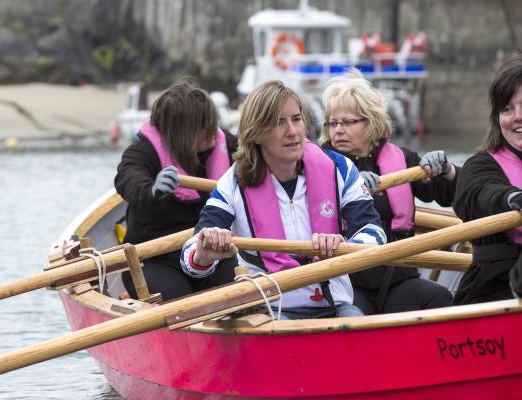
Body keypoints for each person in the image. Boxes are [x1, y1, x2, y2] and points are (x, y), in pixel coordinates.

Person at [180, 80, 387, 319]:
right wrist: (203, 253)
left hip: (334, 305)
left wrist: (343, 245)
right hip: (270, 309)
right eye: (279, 122)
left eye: (296, 119)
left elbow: (374, 233)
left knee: (357, 327)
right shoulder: (233, 182)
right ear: (256, 133)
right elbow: (190, 255)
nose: (293, 132)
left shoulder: (339, 168)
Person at [321, 70, 456, 315]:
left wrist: (447, 170)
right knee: (352, 317)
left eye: (348, 122)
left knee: (439, 298)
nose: (337, 130)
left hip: (398, 276)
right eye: (332, 123)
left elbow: (447, 194)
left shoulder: (402, 159)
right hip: (347, 283)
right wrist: (351, 186)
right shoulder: (318, 166)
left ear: (371, 121)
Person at [114, 79, 238, 301]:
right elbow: (127, 179)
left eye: (212, 123)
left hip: (215, 252)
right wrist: (152, 190)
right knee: (178, 303)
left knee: (240, 292)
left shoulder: (226, 143)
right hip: (155, 258)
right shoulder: (144, 152)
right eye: (203, 127)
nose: (212, 131)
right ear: (183, 133)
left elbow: (262, 158)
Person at [452, 53, 522, 304]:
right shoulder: (481, 165)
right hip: (495, 285)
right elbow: (479, 192)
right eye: (507, 109)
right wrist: (513, 198)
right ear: (497, 119)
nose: (517, 117)